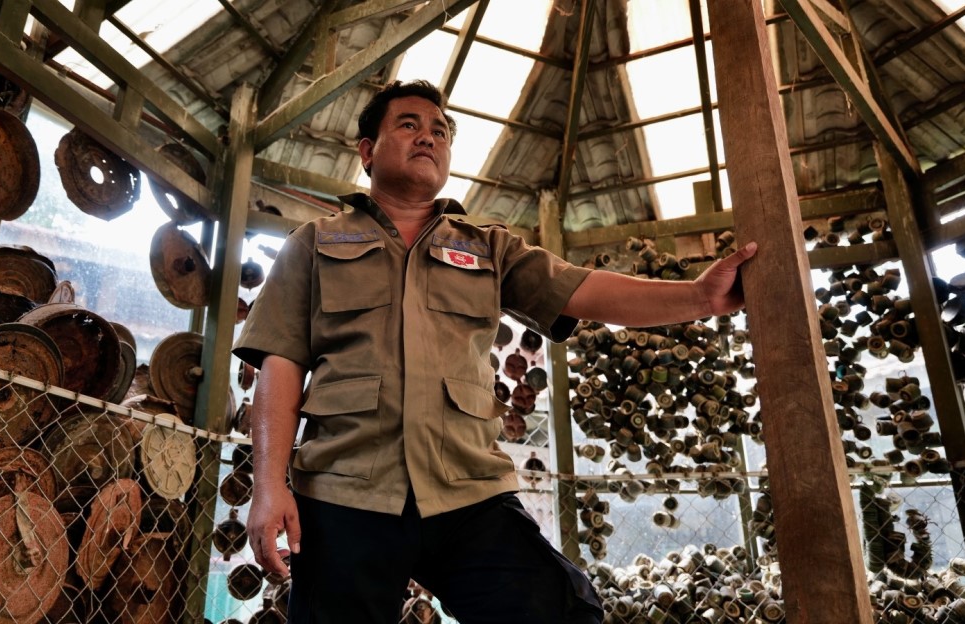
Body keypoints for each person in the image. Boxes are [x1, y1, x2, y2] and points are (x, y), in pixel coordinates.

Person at [233, 79, 757, 624]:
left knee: (563, 611)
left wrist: (700, 297)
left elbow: (584, 289)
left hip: (468, 491)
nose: (428, 137)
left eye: (440, 131)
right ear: (367, 151)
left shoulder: (487, 246)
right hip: (344, 491)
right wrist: (269, 485)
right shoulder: (313, 243)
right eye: (408, 125)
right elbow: (280, 364)